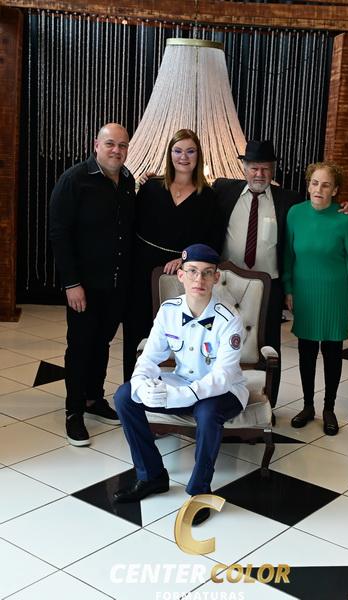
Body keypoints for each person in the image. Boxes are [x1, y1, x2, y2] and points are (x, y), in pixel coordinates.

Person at [213, 141, 348, 410]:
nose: (259, 174)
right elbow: (189, 189)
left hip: (270, 285)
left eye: (266, 169)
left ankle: (268, 403)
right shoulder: (222, 190)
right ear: (244, 168)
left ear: (273, 170)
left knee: (268, 345)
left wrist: (342, 207)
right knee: (224, 341)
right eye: (254, 168)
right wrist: (152, 179)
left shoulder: (289, 200)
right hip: (228, 284)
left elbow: (317, 210)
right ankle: (222, 397)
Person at [114, 244, 247, 525]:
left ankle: (200, 491)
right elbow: (150, 357)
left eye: (207, 273)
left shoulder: (229, 319)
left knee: (208, 413)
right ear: (181, 276)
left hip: (225, 391)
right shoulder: (169, 311)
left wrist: (179, 396)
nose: (199, 279)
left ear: (216, 278)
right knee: (125, 396)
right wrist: (141, 384)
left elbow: (222, 376)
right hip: (183, 380)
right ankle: (151, 476)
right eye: (193, 272)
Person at [49, 123, 135, 446]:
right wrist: (71, 283)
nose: (116, 150)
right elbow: (59, 233)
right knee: (80, 346)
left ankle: (93, 398)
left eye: (122, 145)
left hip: (116, 283)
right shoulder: (74, 180)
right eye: (110, 143)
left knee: (102, 343)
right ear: (96, 145)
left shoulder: (127, 180)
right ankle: (74, 411)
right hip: (83, 286)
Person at [122, 129, 223, 381]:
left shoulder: (208, 196)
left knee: (177, 335)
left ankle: (174, 390)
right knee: (137, 331)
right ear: (170, 154)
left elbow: (214, 241)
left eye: (190, 151)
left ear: (198, 155)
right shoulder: (151, 187)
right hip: (143, 269)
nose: (183, 157)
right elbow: (129, 222)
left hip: (181, 275)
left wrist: (185, 259)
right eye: (177, 151)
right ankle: (134, 388)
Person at [283, 162, 348, 435]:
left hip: (336, 295)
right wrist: (288, 288)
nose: (319, 189)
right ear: (308, 185)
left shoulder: (345, 221)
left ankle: (329, 408)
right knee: (306, 351)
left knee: (332, 353)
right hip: (305, 293)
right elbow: (288, 255)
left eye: (326, 184)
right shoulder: (295, 214)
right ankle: (307, 406)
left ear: (335, 190)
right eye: (314, 183)